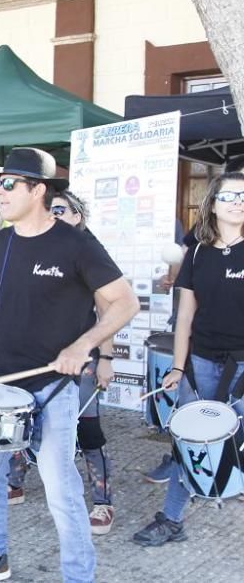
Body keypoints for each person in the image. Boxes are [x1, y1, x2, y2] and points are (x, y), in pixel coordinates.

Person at [0, 148, 137, 583]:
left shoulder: (76, 243)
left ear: (39, 190)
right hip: (1, 380)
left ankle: (78, 574)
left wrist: (84, 346)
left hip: (54, 385)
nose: (0, 191)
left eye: (10, 183)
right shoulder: (1, 241)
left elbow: (125, 303)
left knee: (59, 486)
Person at [132, 171, 244, 547]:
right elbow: (184, 316)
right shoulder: (197, 251)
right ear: (212, 204)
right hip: (203, 363)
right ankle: (171, 519)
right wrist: (178, 368)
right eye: (229, 196)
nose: (238, 202)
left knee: (238, 444)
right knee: (189, 443)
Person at [6, 190, 118, 536]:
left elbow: (108, 310)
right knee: (21, 421)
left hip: (80, 361)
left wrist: (106, 359)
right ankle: (15, 481)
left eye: (60, 210)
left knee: (86, 428)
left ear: (77, 216)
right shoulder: (30, 245)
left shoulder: (88, 252)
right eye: (50, 210)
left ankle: (102, 500)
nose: (52, 215)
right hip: (35, 359)